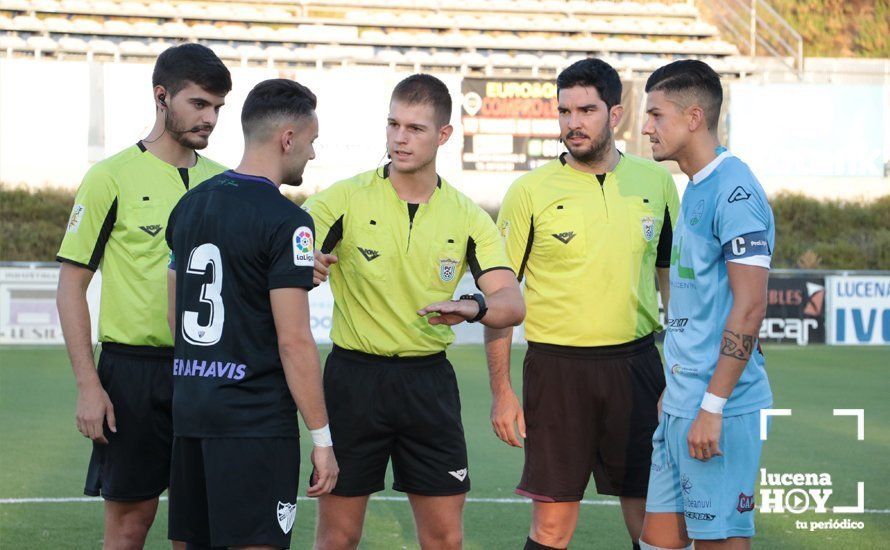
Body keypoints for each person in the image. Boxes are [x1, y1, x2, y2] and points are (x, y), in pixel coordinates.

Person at [304, 73, 525, 550]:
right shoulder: (344, 198)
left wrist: (471, 306)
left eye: (415, 128)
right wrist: (305, 262)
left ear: (443, 135)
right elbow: (290, 246)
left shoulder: (467, 216)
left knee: (444, 539)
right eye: (393, 124)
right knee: (337, 537)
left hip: (428, 387)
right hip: (353, 382)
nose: (400, 138)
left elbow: (512, 303)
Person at [485, 57, 679, 550]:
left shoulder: (656, 184)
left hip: (636, 367)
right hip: (557, 371)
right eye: (564, 111)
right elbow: (502, 298)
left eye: (586, 110)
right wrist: (503, 391)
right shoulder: (529, 191)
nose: (573, 122)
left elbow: (673, 283)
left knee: (653, 523)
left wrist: (679, 372)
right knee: (552, 528)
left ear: (615, 115)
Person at [56, 43, 231, 548]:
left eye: (217, 107)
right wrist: (89, 384)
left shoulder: (224, 183)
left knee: (200, 529)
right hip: (132, 372)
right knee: (131, 525)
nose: (211, 118)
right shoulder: (109, 177)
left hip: (207, 371)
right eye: (199, 104)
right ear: (162, 96)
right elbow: (72, 286)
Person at [165, 78, 338, 549]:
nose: (313, 154)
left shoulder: (189, 205)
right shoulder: (290, 222)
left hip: (191, 412)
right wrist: (322, 439)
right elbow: (294, 341)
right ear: (288, 138)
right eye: (312, 142)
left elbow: (173, 315)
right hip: (253, 425)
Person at [638, 60, 773, 550]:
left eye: (656, 115)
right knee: (656, 543)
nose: (646, 127)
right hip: (680, 403)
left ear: (694, 118)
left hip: (718, 409)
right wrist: (676, 388)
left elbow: (751, 306)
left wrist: (711, 406)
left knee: (720, 544)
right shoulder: (694, 187)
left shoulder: (735, 191)